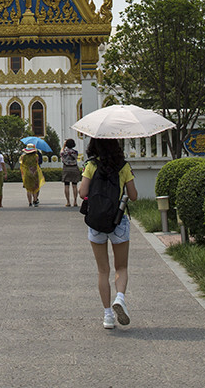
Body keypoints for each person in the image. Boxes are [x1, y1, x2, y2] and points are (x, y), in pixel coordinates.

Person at [80, 137, 138, 329]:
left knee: (102, 270)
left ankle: (107, 316)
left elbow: (82, 193)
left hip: (96, 221)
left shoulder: (91, 165)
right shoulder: (123, 166)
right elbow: (134, 196)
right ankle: (120, 297)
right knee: (121, 267)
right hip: (118, 220)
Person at [60, 138, 82, 207]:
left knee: (66, 185)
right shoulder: (75, 152)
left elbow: (61, 153)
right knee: (74, 185)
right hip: (74, 168)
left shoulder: (64, 152)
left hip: (66, 168)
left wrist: (64, 146)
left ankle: (68, 202)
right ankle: (75, 201)